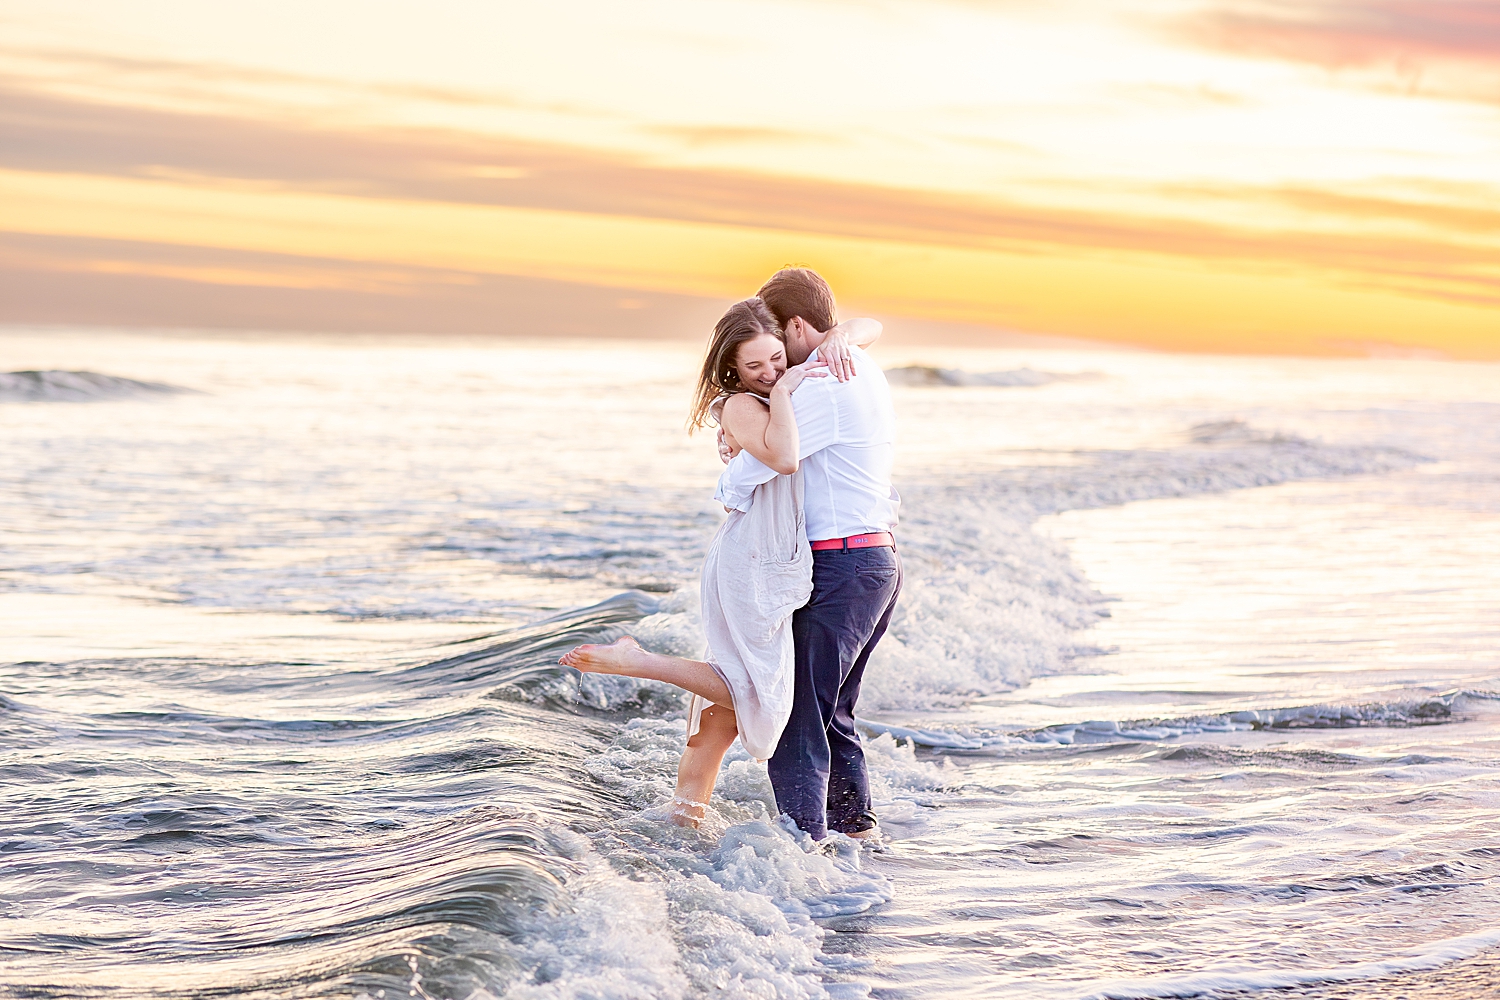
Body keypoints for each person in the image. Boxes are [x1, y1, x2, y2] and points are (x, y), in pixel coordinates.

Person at [560, 294, 882, 827]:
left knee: (728, 712)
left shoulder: (773, 392)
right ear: (730, 367)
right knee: (763, 688)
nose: (769, 370)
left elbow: (862, 327)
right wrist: (784, 389)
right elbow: (782, 457)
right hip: (754, 557)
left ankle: (685, 820)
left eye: (776, 358)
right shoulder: (744, 403)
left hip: (766, 552)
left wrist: (838, 340)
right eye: (753, 365)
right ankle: (640, 663)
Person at [719, 268, 902, 841]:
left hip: (843, 568)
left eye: (781, 340)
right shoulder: (860, 365)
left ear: (798, 325)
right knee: (832, 712)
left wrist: (736, 438)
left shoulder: (826, 384)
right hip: (874, 562)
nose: (780, 360)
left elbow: (755, 471)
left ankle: (808, 850)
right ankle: (853, 837)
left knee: (799, 715)